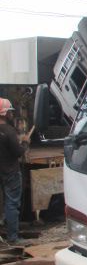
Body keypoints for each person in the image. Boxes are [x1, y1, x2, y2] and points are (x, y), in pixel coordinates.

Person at [0, 98, 29, 246]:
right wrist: (24, 143)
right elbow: (18, 152)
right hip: (10, 171)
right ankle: (13, 237)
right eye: (10, 111)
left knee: (4, 203)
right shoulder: (9, 131)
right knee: (12, 203)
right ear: (5, 114)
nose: (12, 114)